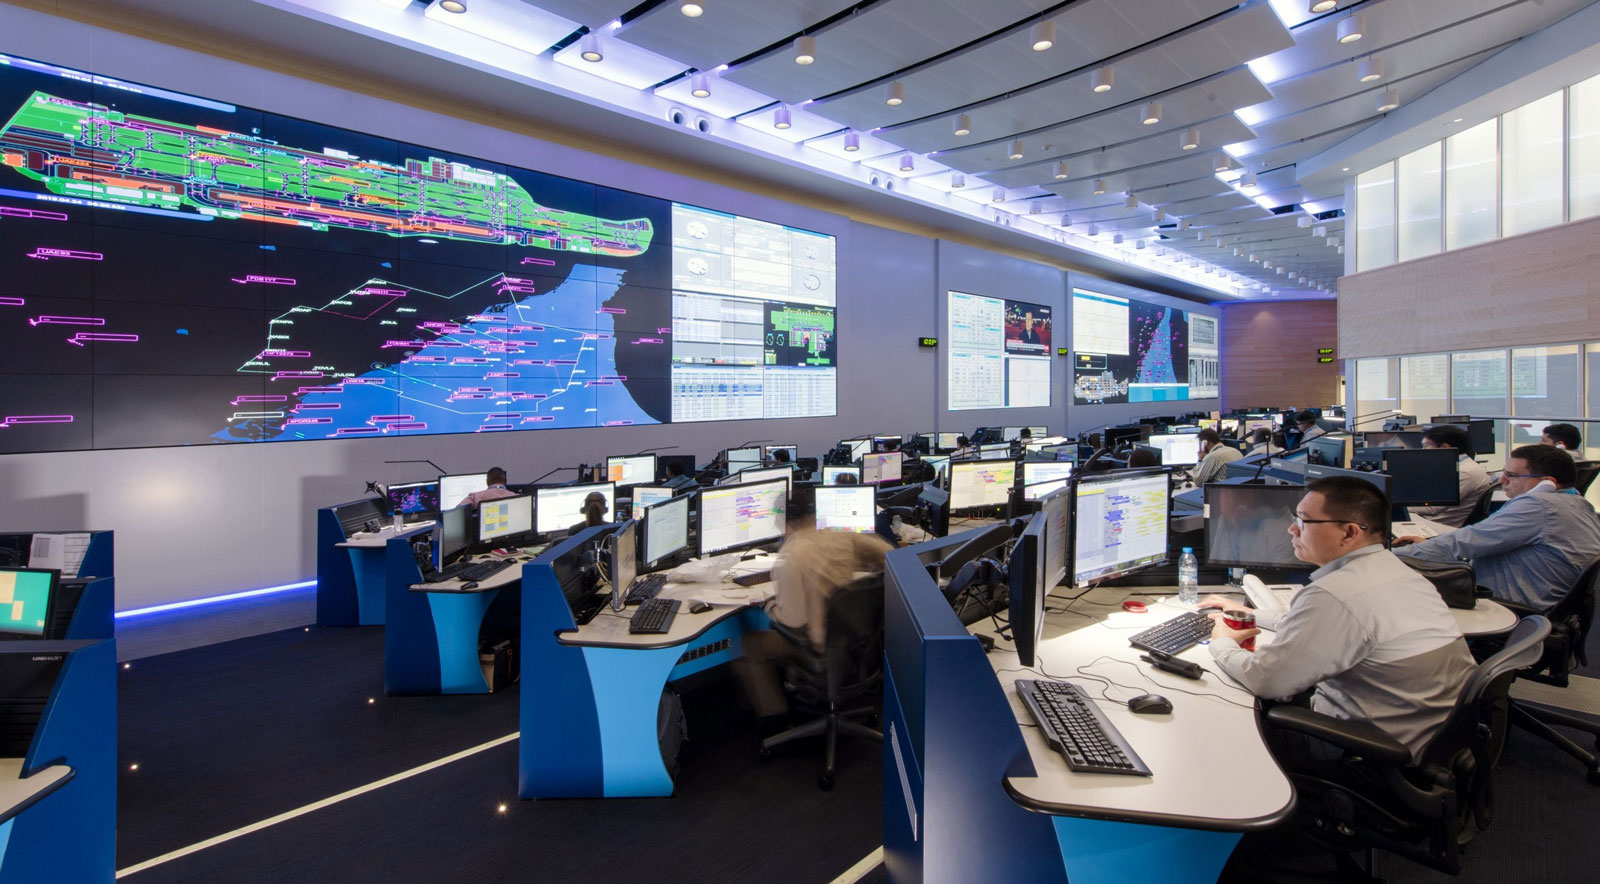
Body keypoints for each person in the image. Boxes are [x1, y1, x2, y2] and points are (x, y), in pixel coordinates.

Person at [1199, 476, 1476, 762]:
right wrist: (1250, 613)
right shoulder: (1396, 572)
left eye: (1304, 521)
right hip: (1428, 740)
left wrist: (1222, 644)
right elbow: (1325, 628)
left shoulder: (1335, 595)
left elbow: (1268, 680)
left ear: (1349, 533)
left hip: (1368, 754)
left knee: (1227, 723)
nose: (1291, 529)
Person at [1396, 444, 1600, 610]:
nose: (1502, 480)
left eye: (1511, 475)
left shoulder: (1537, 505)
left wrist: (1387, 555)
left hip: (1513, 608)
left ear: (1546, 483)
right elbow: (1478, 538)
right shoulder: (1577, 503)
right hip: (1545, 603)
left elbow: (1461, 544)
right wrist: (1428, 544)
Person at [731, 529, 893, 729]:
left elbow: (794, 623)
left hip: (820, 649)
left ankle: (775, 721)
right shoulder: (841, 536)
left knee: (750, 644)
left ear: (788, 523)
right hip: (859, 647)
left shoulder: (795, 552)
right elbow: (888, 551)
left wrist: (772, 606)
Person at [1408, 424, 1493, 527]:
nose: (1423, 450)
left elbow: (1432, 509)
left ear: (1445, 447)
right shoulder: (1454, 466)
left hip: (1441, 526)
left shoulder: (1465, 472)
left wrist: (1394, 505)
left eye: (1426, 446)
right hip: (1432, 521)